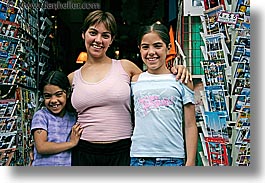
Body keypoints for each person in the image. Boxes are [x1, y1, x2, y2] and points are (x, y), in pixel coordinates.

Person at [68, 10, 191, 166]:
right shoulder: (72, 78)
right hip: (85, 152)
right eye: (93, 33)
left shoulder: (127, 68)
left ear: (111, 40)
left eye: (105, 35)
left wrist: (176, 69)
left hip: (123, 152)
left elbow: (155, 82)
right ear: (83, 34)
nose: (98, 40)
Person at [130, 23, 198, 166]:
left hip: (172, 158)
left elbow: (190, 124)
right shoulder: (135, 80)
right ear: (139, 49)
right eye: (145, 47)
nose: (151, 52)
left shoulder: (182, 79)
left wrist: (190, 161)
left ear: (168, 48)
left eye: (157, 46)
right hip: (140, 157)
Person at [31, 71, 83, 166]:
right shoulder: (41, 116)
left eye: (58, 94)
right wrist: (71, 143)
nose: (53, 100)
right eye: (48, 96)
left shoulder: (73, 117)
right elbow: (41, 147)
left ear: (67, 93)